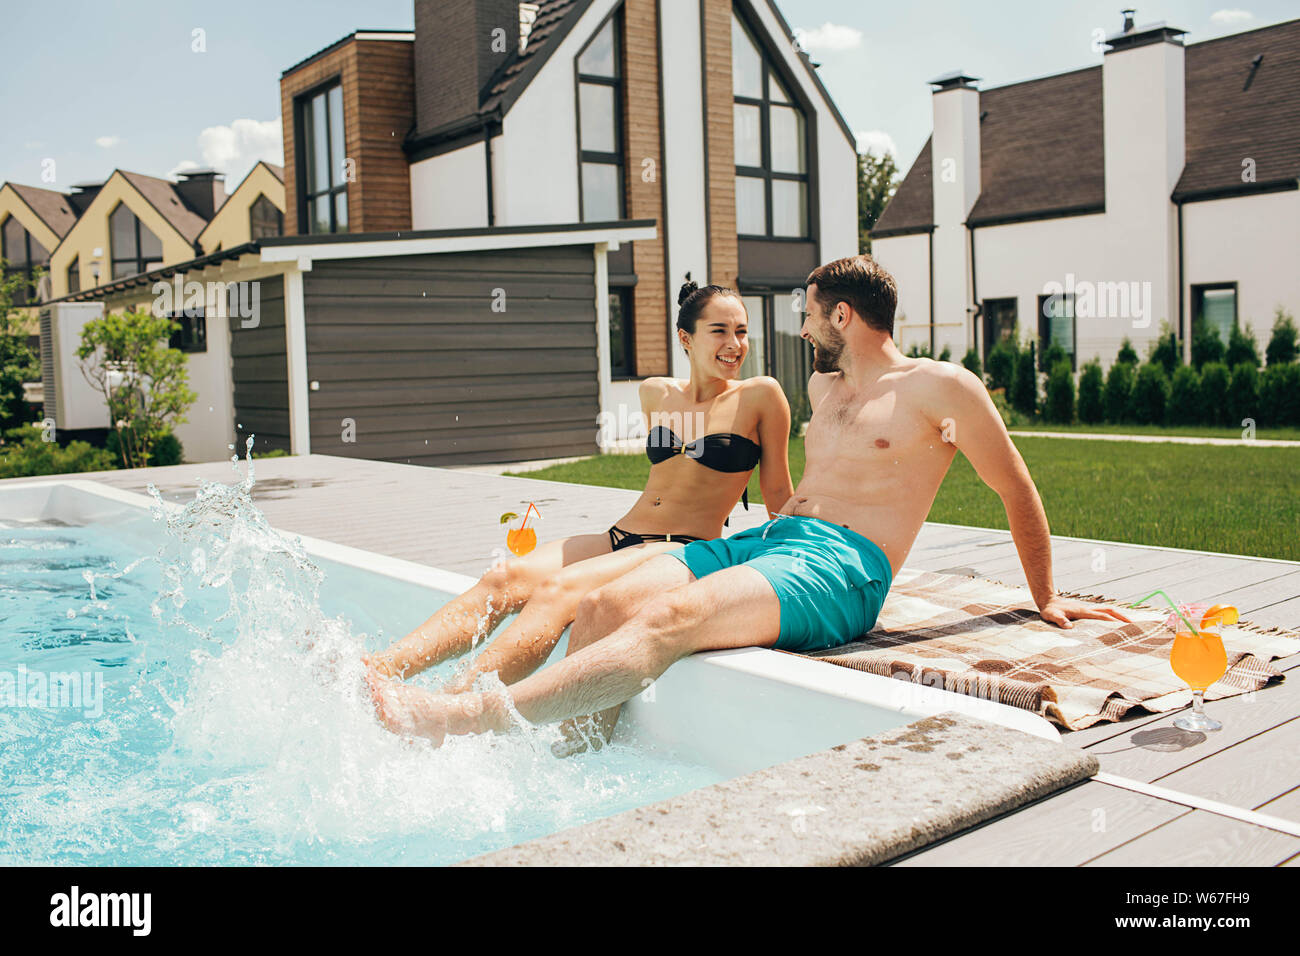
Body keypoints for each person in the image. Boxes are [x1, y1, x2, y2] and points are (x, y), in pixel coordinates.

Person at [366, 254, 1132, 745]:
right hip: (772, 544)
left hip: (845, 567)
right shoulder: (824, 386)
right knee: (601, 607)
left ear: (842, 316)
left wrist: (1047, 596)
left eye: (807, 313)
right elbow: (780, 487)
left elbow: (1017, 487)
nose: (798, 329)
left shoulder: (941, 387)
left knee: (668, 619)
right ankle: (576, 755)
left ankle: (466, 719)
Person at [364, 277, 794, 692]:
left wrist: (787, 572)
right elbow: (666, 479)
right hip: (623, 534)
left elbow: (778, 495)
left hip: (680, 546)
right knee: (505, 577)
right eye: (719, 331)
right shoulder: (656, 393)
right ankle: (381, 670)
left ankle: (453, 704)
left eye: (741, 331)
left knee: (557, 592)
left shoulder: (760, 396)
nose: (734, 344)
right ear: (686, 338)